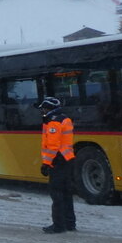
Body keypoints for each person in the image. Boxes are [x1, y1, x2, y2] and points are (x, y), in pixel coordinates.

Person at [36, 96, 76, 233]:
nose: (42, 111)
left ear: (49, 108)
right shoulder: (65, 118)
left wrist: (46, 163)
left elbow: (53, 145)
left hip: (57, 161)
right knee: (66, 193)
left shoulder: (53, 122)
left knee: (57, 193)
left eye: (44, 109)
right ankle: (70, 223)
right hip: (67, 159)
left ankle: (58, 225)